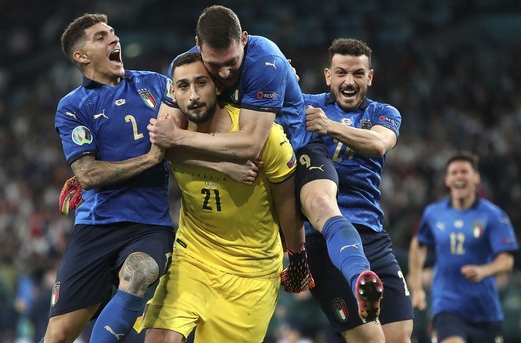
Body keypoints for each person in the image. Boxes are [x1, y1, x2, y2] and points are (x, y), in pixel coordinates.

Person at [147, 5, 382, 322]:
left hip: (296, 149)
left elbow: (251, 143)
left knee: (322, 205)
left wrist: (179, 138)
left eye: (232, 63)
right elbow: (162, 138)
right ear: (198, 46)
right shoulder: (187, 69)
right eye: (216, 66)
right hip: (241, 167)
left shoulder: (266, 60)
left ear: (244, 40)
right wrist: (214, 163)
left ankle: (360, 278)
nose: (226, 73)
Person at [139, 51, 310, 343]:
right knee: (159, 338)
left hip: (251, 273)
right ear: (173, 95)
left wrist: (297, 257)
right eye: (182, 86)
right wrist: (222, 165)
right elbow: (162, 151)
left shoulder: (264, 138)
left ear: (217, 86)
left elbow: (286, 204)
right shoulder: (172, 134)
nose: (193, 95)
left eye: (201, 83)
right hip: (193, 258)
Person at [44, 13, 177, 342]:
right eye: (101, 37)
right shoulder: (74, 105)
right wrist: (151, 158)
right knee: (58, 335)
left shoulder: (155, 85)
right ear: (82, 56)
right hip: (96, 226)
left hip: (149, 224)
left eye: (113, 33)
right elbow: (87, 174)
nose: (113, 39)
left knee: (140, 272)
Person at [303, 38, 413, 342]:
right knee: (371, 340)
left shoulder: (383, 113)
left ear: (370, 77)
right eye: (341, 73)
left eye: (357, 73)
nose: (349, 81)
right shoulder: (305, 105)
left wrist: (329, 126)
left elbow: (378, 144)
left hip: (373, 235)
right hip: (323, 239)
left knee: (401, 335)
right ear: (328, 76)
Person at [408, 151, 518, 343]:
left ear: (476, 177)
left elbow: (507, 260)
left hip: (485, 311)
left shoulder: (493, 215)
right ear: (447, 180)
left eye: (464, 172)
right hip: (447, 306)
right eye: (454, 172)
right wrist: (416, 288)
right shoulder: (433, 214)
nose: (459, 176)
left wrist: (485, 270)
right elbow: (418, 244)